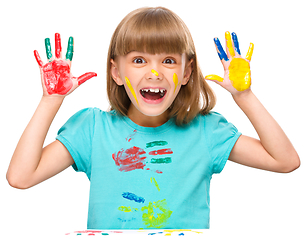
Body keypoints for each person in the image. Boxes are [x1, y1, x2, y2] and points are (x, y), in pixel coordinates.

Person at [7, 7, 300, 230]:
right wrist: (50, 100)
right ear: (116, 72)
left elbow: (284, 161)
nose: (155, 72)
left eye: (169, 60)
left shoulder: (206, 131)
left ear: (187, 73)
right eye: (139, 60)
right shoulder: (92, 129)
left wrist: (244, 95)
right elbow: (21, 177)